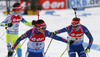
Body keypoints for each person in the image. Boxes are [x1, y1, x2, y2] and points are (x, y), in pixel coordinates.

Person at [8, 19, 74, 57]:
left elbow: (56, 37)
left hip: (40, 54)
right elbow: (19, 39)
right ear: (38, 28)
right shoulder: (30, 32)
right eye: (43, 28)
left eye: (45, 27)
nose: (45, 29)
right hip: (30, 54)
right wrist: (12, 49)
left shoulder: (45, 32)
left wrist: (67, 41)